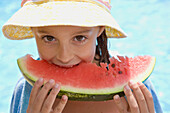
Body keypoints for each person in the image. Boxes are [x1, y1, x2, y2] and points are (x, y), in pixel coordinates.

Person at [2, 0, 163, 113]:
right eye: (49, 38)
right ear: (33, 30)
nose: (64, 57)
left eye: (79, 38)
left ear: (100, 29)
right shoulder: (27, 90)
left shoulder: (135, 86)